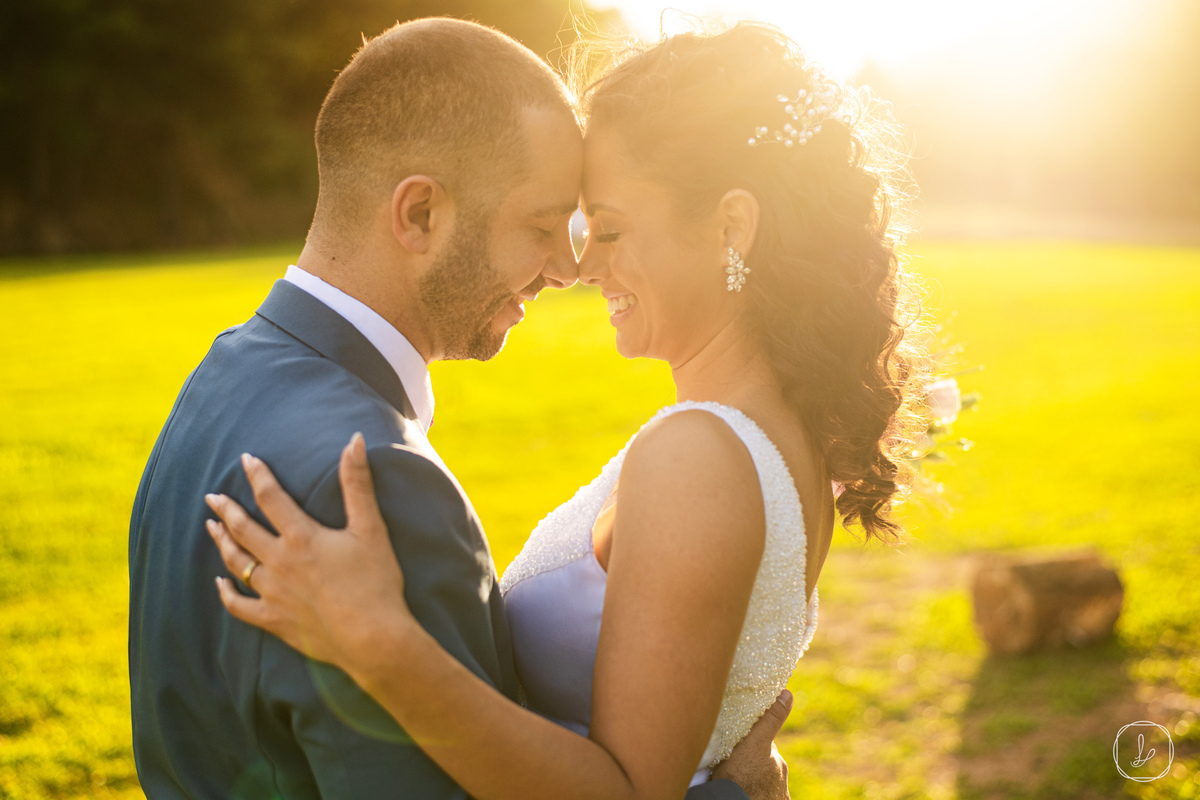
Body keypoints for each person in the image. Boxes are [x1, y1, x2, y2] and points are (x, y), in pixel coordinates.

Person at [203, 19, 930, 800]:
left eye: (609, 229)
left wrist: (378, 644)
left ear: (731, 226)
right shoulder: (784, 441)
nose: (581, 265)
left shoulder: (699, 459)